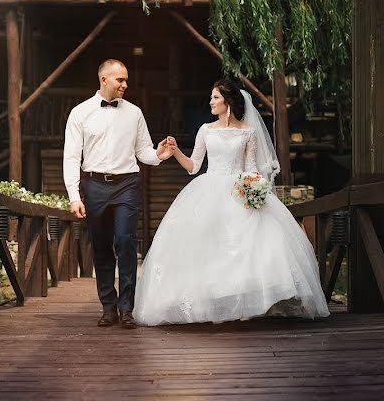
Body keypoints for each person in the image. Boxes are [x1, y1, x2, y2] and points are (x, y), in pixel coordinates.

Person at [133, 78, 330, 325]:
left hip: (239, 190)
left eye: (215, 97)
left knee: (246, 246)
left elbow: (250, 169)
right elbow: (194, 167)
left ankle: (245, 302)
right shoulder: (206, 129)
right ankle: (212, 303)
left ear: (227, 100)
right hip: (209, 188)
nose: (211, 102)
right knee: (209, 245)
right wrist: (175, 152)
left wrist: (255, 190)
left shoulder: (248, 131)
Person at [63, 59, 174, 329]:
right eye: (120, 80)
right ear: (104, 80)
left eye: (125, 80)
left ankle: (127, 308)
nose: (125, 84)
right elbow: (71, 156)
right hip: (94, 185)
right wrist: (74, 196)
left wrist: (159, 155)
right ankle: (108, 307)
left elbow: (144, 152)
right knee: (101, 247)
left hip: (127, 184)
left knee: (125, 242)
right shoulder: (80, 113)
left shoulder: (134, 113)